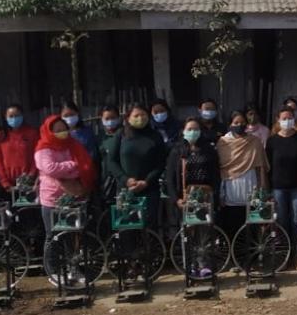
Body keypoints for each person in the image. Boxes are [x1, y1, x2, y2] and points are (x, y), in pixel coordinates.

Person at [165, 117, 221, 276]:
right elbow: (170, 178)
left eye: (196, 129)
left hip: (205, 195)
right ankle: (190, 264)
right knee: (188, 231)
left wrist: (216, 194)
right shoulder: (177, 151)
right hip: (186, 196)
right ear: (183, 131)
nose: (193, 132)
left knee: (205, 231)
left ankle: (204, 263)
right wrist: (176, 199)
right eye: (189, 129)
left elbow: (216, 174)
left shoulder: (209, 150)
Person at [106, 104, 167, 230]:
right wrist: (125, 179)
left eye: (143, 115)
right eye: (136, 115)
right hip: (125, 191)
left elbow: (161, 163)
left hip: (150, 190)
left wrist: (146, 181)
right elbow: (111, 161)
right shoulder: (121, 135)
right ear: (128, 118)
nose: (140, 118)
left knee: (149, 228)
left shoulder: (156, 136)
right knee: (126, 228)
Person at [34, 115, 96, 234]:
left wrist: (62, 172)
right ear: (49, 132)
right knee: (53, 236)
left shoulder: (72, 144)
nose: (62, 133)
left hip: (74, 198)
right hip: (52, 200)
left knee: (74, 234)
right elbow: (50, 169)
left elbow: (84, 167)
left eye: (64, 129)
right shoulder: (43, 149)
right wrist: (72, 165)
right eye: (57, 130)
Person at [216, 110, 270, 235]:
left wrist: (263, 191)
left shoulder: (255, 142)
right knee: (232, 230)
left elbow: (261, 168)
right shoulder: (223, 142)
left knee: (251, 232)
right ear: (230, 124)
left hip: (251, 190)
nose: (239, 125)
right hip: (231, 191)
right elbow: (220, 168)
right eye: (236, 122)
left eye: (242, 122)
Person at [267, 106, 297, 248]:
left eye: (290, 118)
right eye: (284, 118)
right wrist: (268, 190)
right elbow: (269, 166)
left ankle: (296, 251)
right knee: (281, 220)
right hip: (278, 187)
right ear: (278, 120)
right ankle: (285, 251)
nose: (287, 121)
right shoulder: (272, 141)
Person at [0, 103, 38, 197]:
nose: (14, 119)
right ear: (5, 117)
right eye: (11, 116)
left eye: (17, 115)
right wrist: (5, 182)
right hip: (8, 186)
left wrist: (31, 176)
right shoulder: (1, 135)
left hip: (29, 183)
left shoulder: (32, 133)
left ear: (22, 116)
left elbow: (37, 156)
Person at [95, 106, 122, 198]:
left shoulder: (125, 134)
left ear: (118, 118)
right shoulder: (100, 137)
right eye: (107, 119)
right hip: (105, 179)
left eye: (113, 118)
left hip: (121, 178)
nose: (110, 121)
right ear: (102, 119)